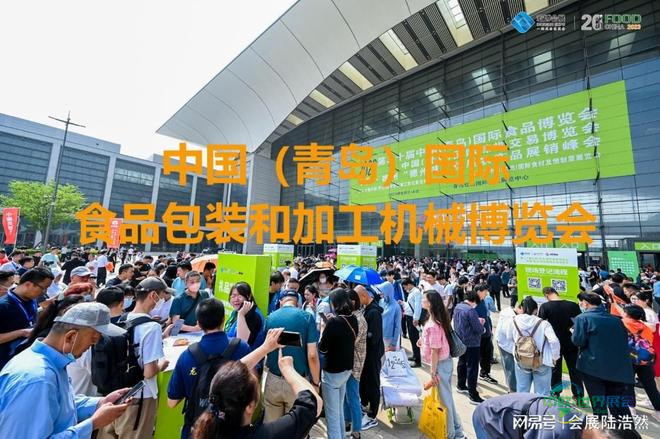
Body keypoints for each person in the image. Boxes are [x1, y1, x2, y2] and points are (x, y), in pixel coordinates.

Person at [0, 302, 131, 438]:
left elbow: (58, 408)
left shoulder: (50, 365)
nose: (91, 347)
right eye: (92, 341)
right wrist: (93, 424)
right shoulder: (39, 379)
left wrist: (99, 403)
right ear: (71, 337)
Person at [191, 337, 322, 439]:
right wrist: (288, 369)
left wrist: (266, 347)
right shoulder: (265, 435)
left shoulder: (212, 413)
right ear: (249, 407)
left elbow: (226, 377)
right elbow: (312, 403)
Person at [167, 298, 252, 439]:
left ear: (199, 323)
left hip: (197, 430)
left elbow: (172, 402)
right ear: (223, 319)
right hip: (234, 430)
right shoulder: (241, 348)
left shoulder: (187, 356)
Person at [98, 277, 170, 439]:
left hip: (115, 393)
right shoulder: (152, 327)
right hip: (140, 396)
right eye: (162, 295)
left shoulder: (121, 319)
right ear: (153, 295)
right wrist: (162, 365)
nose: (164, 299)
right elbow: (149, 372)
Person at [572, 292, 634, 419]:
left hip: (592, 366)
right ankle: (626, 429)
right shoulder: (616, 320)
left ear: (585, 303)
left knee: (598, 403)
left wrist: (573, 332)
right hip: (617, 368)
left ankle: (602, 427)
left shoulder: (582, 318)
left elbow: (578, 341)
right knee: (618, 404)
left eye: (581, 303)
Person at [263, 291, 320, 422]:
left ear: (281, 302)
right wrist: (315, 383)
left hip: (273, 379)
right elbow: (312, 355)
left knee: (272, 427)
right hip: (298, 381)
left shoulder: (270, 318)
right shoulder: (307, 317)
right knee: (295, 426)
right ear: (297, 303)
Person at [419, 290, 465, 439]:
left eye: (424, 299)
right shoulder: (438, 319)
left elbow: (435, 351)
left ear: (430, 303)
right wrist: (423, 341)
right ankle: (457, 431)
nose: (422, 300)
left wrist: (433, 372)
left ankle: (450, 434)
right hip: (444, 363)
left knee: (444, 401)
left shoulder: (432, 324)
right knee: (447, 398)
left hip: (440, 365)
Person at [318, 288, 358, 439]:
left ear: (335, 303)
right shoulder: (353, 318)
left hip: (332, 372)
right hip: (346, 370)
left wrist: (324, 328)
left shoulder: (334, 323)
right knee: (338, 410)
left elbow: (323, 347)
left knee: (332, 415)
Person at [0, 266, 54, 369]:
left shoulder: (32, 300)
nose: (45, 292)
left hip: (23, 359)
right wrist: (22, 332)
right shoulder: (3, 306)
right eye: (43, 288)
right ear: (28, 284)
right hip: (5, 364)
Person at [508, 296, 560, 396]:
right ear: (536, 310)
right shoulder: (543, 323)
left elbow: (508, 337)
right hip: (540, 361)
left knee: (522, 389)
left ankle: (523, 405)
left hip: (521, 359)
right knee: (542, 392)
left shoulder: (514, 320)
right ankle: (539, 406)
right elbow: (553, 341)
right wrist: (555, 357)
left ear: (522, 308)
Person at [538, 286, 583, 398]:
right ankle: (578, 395)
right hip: (571, 342)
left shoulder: (545, 307)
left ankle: (556, 393)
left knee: (555, 369)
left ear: (546, 295)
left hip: (554, 343)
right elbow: (579, 323)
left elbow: (541, 325)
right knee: (574, 369)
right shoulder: (573, 305)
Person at [621, 304, 660, 414]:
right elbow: (649, 342)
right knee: (650, 385)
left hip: (628, 359)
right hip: (645, 359)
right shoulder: (645, 327)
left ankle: (631, 408)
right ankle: (658, 407)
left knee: (628, 384)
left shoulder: (622, 324)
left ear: (627, 314)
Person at [356, 284, 383, 430]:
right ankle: (365, 405)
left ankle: (372, 415)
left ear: (364, 296)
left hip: (373, 354)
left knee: (373, 383)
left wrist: (360, 335)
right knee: (365, 381)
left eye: (358, 298)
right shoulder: (366, 309)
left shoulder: (374, 313)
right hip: (366, 354)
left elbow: (374, 336)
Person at [453, 289, 485, 404]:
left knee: (462, 363)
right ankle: (473, 395)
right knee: (472, 368)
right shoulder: (470, 310)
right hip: (472, 343)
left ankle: (461, 385)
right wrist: (482, 325)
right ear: (474, 300)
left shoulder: (458, 307)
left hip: (460, 340)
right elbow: (478, 329)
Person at [343, 289, 367, 439]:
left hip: (354, 364)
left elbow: (351, 341)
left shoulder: (359, 319)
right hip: (349, 362)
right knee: (346, 395)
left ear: (352, 302)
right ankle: (347, 422)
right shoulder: (352, 316)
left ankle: (356, 431)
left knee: (352, 397)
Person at [225, 281, 266, 349]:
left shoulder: (253, 315)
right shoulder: (236, 312)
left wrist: (241, 315)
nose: (236, 299)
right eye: (233, 296)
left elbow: (242, 343)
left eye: (240, 296)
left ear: (249, 297)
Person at [475, 285, 498, 385]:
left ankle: (484, 373)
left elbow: (486, 317)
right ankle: (471, 378)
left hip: (486, 334)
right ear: (479, 292)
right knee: (476, 357)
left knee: (486, 355)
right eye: (485, 291)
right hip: (478, 335)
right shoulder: (473, 303)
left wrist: (489, 330)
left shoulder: (483, 301)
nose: (486, 293)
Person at [494, 300, 519, 392]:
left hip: (503, 343)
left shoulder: (507, 311)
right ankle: (512, 390)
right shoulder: (510, 317)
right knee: (510, 368)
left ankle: (511, 387)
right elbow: (509, 335)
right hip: (506, 345)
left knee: (509, 367)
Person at [401, 277, 422, 367]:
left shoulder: (416, 292)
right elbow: (410, 304)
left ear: (409, 284)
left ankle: (418, 360)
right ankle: (415, 355)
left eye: (405, 287)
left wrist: (416, 318)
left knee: (415, 338)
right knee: (412, 338)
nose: (404, 289)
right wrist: (403, 303)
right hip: (410, 316)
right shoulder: (411, 292)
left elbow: (418, 306)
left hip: (413, 318)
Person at [377, 281, 401, 351]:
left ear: (387, 291)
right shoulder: (381, 302)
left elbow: (397, 326)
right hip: (379, 335)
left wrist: (393, 343)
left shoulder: (396, 307)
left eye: (382, 291)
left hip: (389, 339)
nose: (380, 293)